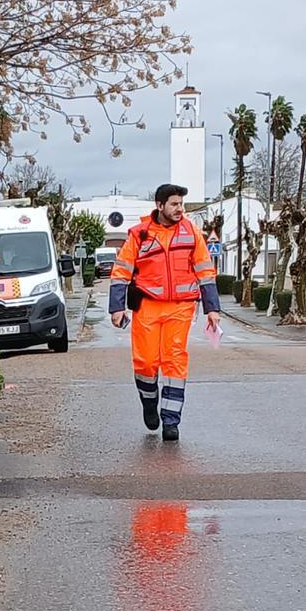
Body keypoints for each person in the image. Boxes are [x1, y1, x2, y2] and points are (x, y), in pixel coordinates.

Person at [109, 183, 220, 442]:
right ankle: (149, 403)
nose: (179, 209)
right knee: (146, 363)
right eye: (174, 204)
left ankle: (171, 421)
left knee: (174, 361)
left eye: (181, 204)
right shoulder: (140, 235)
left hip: (181, 307)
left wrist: (212, 309)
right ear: (160, 206)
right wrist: (117, 308)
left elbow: (205, 271)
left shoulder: (192, 233)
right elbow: (122, 271)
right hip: (147, 305)